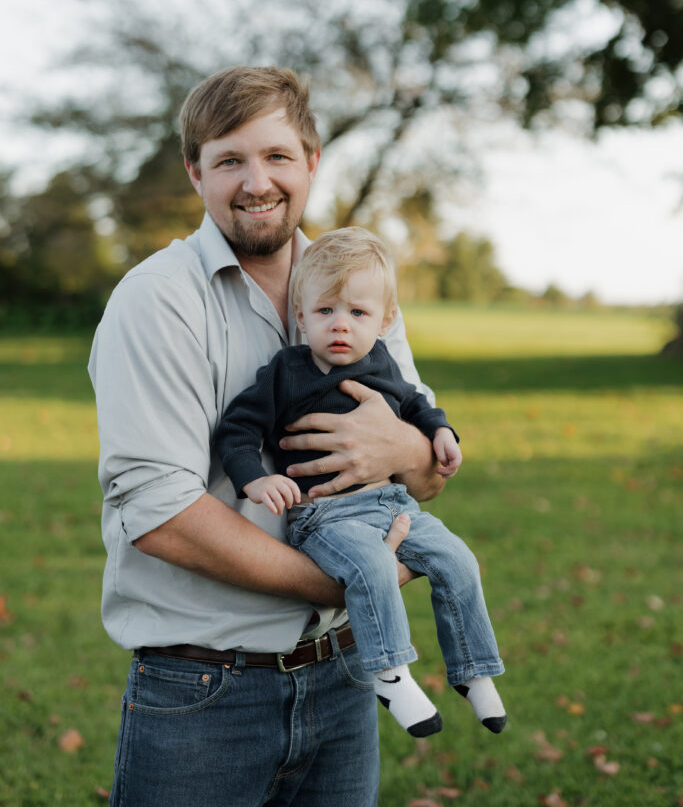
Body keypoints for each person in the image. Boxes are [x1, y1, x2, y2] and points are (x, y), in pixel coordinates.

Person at [88, 66, 456, 807]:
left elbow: (425, 465)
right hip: (205, 691)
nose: (257, 182)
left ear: (312, 161)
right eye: (229, 160)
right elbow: (161, 517)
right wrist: (353, 579)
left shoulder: (352, 284)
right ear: (196, 173)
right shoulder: (156, 300)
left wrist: (414, 450)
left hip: (346, 676)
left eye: (277, 156)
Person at [214, 227, 506, 740]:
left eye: (358, 312)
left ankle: (474, 671)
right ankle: (390, 674)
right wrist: (255, 482)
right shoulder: (287, 371)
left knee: (456, 557)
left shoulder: (382, 363)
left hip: (392, 502)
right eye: (325, 311)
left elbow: (416, 404)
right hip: (323, 516)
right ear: (301, 317)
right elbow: (238, 430)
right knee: (372, 564)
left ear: (385, 320)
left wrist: (441, 433)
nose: (341, 325)